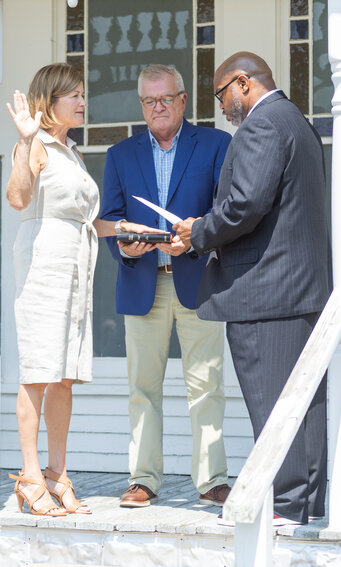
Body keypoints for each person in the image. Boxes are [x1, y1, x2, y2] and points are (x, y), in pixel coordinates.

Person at [173, 52, 330, 526]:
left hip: (265, 291)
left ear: (243, 82)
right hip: (297, 289)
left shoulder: (262, 126)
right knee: (300, 403)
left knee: (273, 402)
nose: (221, 107)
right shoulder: (298, 123)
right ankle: (301, 503)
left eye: (222, 94)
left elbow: (245, 205)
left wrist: (196, 232)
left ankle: (284, 505)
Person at [6, 63, 159, 516]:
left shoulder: (71, 153)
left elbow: (89, 220)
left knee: (65, 375)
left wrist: (131, 228)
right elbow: (17, 198)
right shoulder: (36, 146)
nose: (81, 101)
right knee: (37, 371)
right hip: (43, 265)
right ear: (48, 101)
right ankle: (30, 477)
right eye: (71, 94)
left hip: (77, 265)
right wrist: (27, 138)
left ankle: (57, 473)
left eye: (82, 93)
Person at [100, 64, 232, 508]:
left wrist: (194, 238)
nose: (157, 108)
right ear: (142, 105)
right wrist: (126, 249)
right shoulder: (120, 155)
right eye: (149, 101)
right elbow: (107, 221)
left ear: (182, 99)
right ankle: (143, 480)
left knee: (207, 386)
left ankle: (212, 479)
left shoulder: (216, 145)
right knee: (142, 388)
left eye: (165, 99)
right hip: (142, 282)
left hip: (199, 280)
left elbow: (227, 212)